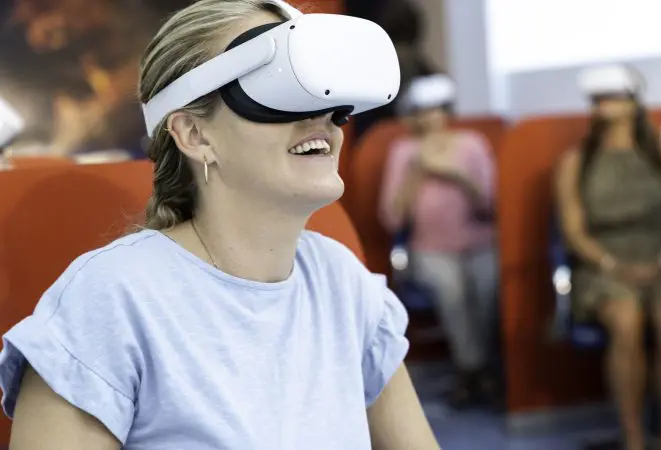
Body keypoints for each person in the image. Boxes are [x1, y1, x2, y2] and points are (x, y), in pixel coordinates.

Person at [0, 1, 439, 449]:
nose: (323, 117)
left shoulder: (343, 283)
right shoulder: (110, 303)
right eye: (281, 88)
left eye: (323, 94)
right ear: (194, 134)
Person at [554, 64, 661, 450]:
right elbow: (574, 231)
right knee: (626, 318)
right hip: (603, 264)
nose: (605, 106)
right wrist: (613, 266)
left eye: (613, 97)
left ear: (634, 102)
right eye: (598, 100)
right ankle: (633, 438)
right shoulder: (576, 162)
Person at [379, 74, 499, 409]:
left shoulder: (472, 144)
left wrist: (457, 176)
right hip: (429, 249)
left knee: (487, 286)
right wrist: (417, 171)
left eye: (436, 109)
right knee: (452, 292)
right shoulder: (403, 151)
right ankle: (473, 371)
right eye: (422, 111)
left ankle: (476, 370)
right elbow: (392, 217)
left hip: (479, 242)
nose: (430, 117)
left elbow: (490, 206)